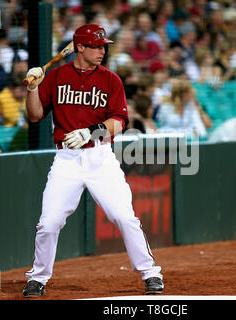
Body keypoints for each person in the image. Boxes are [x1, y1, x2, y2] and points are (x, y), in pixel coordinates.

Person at [22, 24, 164, 297]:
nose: (102, 51)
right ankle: (37, 278)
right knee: (49, 222)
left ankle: (150, 273)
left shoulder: (111, 79)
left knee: (124, 216)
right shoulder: (56, 76)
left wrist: (90, 131)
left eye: (103, 46)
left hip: (100, 156)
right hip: (66, 158)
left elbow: (120, 122)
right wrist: (32, 88)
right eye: (96, 46)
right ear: (80, 48)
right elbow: (35, 115)